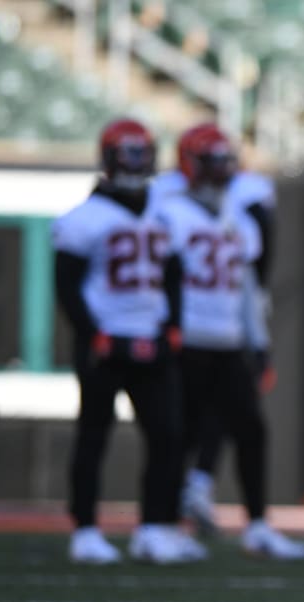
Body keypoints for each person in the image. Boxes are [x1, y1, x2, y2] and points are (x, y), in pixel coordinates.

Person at [52, 117, 205, 564]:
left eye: (143, 151)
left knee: (167, 437)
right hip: (105, 338)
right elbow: (66, 287)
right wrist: (91, 333)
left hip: (152, 336)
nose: (138, 161)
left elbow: (175, 274)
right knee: (94, 435)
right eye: (129, 151)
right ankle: (84, 530)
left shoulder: (163, 210)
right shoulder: (82, 219)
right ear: (108, 155)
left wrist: (173, 326)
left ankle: (154, 528)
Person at [156, 123, 304, 560]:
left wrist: (256, 341)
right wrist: (168, 329)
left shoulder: (239, 217)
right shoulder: (169, 211)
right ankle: (165, 525)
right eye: (212, 160)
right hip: (188, 339)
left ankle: (258, 525)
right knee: (178, 434)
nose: (221, 169)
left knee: (251, 430)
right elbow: (162, 280)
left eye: (225, 160)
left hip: (228, 339)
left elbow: (245, 288)